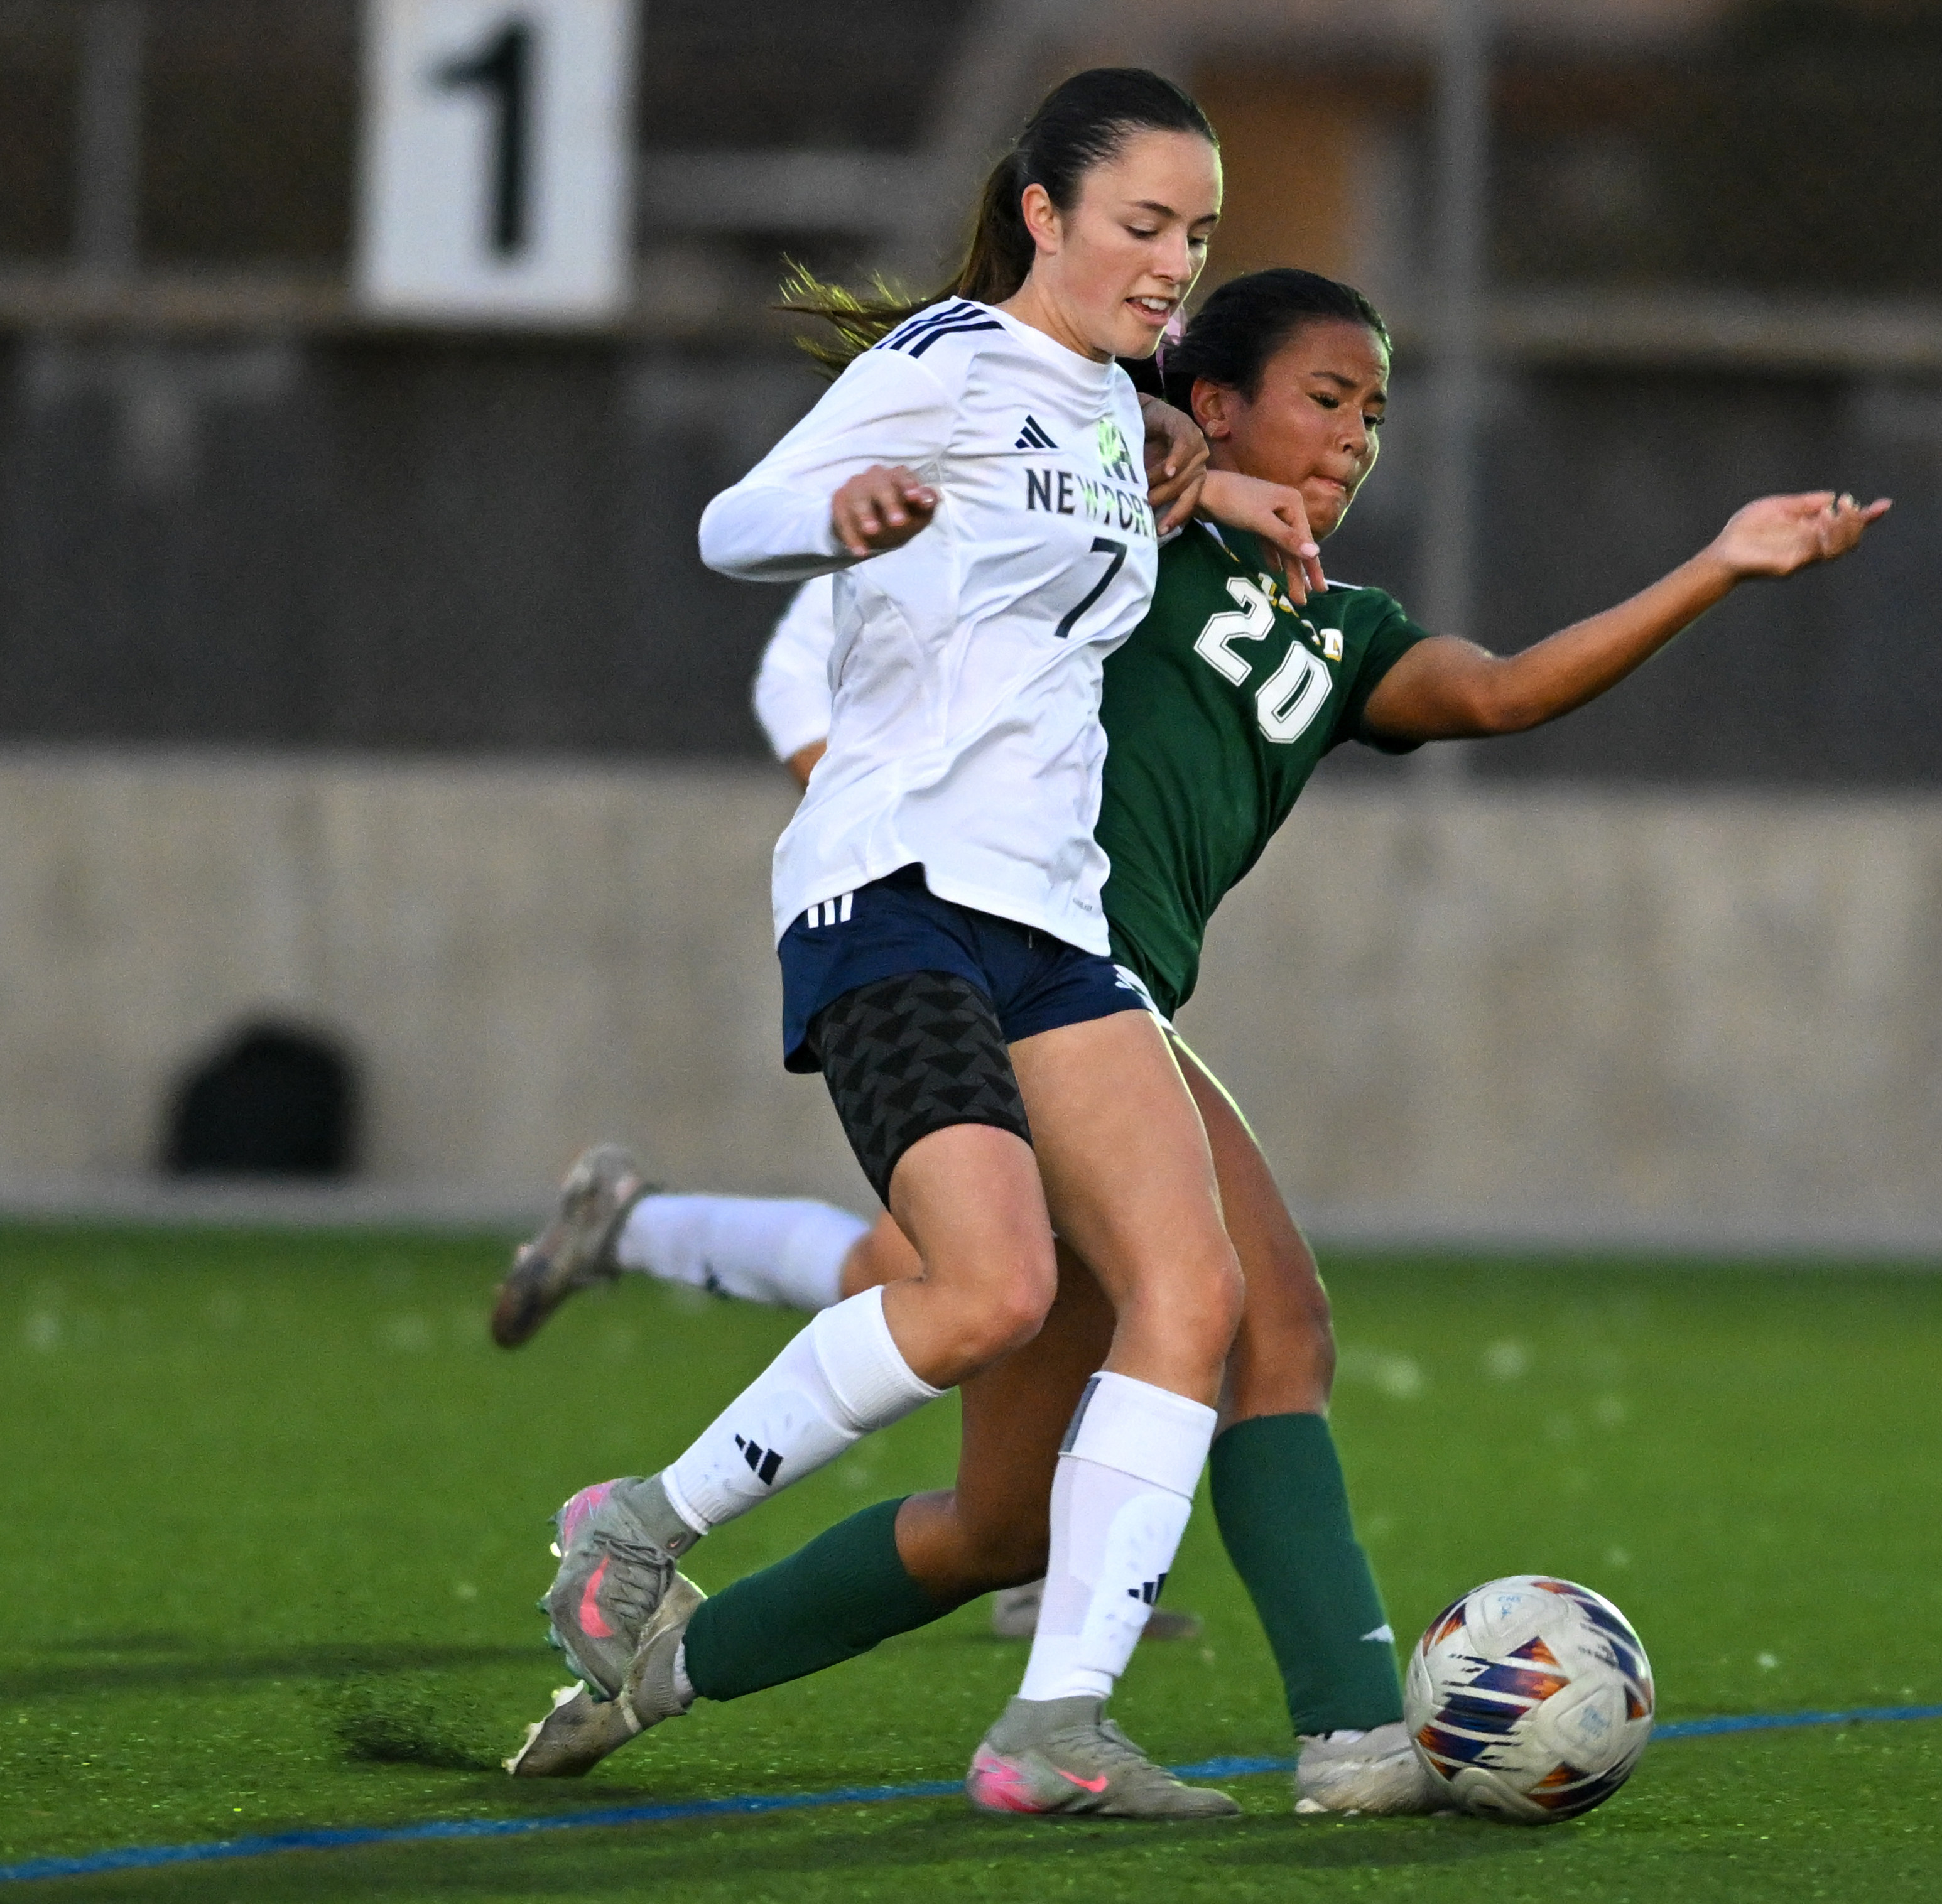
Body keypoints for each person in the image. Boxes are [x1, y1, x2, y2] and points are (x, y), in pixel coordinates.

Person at [500, 264, 1887, 1813]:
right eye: (1325, 396)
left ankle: (650, 1678)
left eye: (1375, 411)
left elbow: (1500, 694)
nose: (1356, 436)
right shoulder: (1124, 532)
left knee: (1001, 1522)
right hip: (1034, 969)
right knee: (1268, 1322)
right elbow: (1037, 431)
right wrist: (1163, 446)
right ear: (1209, 405)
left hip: (1095, 1009)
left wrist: (1717, 564)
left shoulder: (1343, 628)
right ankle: (1349, 1733)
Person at [510, 67, 1352, 1823]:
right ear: (1043, 213)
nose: (1173, 265)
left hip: (1051, 919)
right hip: (893, 894)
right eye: (1141, 226)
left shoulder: (1118, 410)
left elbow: (1089, 500)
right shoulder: (943, 360)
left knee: (1195, 1295)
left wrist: (1217, 488)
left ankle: (1056, 1726)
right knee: (989, 1295)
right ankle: (642, 1528)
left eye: (1196, 236)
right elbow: (730, 520)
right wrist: (836, 517)